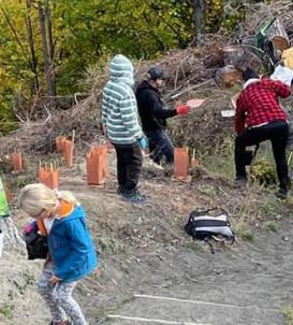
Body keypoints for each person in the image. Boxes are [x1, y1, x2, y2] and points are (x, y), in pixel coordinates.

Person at [17, 184, 98, 325]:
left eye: (35, 215)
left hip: (75, 262)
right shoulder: (47, 213)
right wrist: (34, 226)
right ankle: (60, 320)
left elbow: (82, 250)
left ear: (45, 208)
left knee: (62, 296)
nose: (33, 218)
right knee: (43, 287)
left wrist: (61, 273)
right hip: (58, 257)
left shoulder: (70, 222)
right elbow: (48, 223)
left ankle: (80, 323)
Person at [233, 67, 293, 198]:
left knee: (239, 142)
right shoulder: (268, 83)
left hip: (260, 127)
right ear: (258, 76)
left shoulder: (243, 96)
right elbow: (286, 91)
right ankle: (283, 189)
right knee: (280, 156)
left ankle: (241, 177)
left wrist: (241, 134)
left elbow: (239, 119)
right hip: (281, 124)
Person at [101, 54, 147, 203]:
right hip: (125, 135)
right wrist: (139, 136)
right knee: (135, 161)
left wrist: (105, 126)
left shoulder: (109, 86)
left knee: (122, 159)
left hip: (114, 134)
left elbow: (105, 109)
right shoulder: (126, 92)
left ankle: (121, 186)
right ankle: (130, 190)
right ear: (127, 72)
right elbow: (129, 119)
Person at [135, 67, 202, 167]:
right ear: (155, 80)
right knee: (172, 155)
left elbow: (155, 110)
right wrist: (177, 111)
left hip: (148, 127)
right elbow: (159, 113)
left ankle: (155, 176)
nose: (162, 81)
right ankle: (178, 174)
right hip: (155, 129)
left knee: (155, 157)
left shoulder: (143, 91)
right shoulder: (150, 94)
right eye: (161, 79)